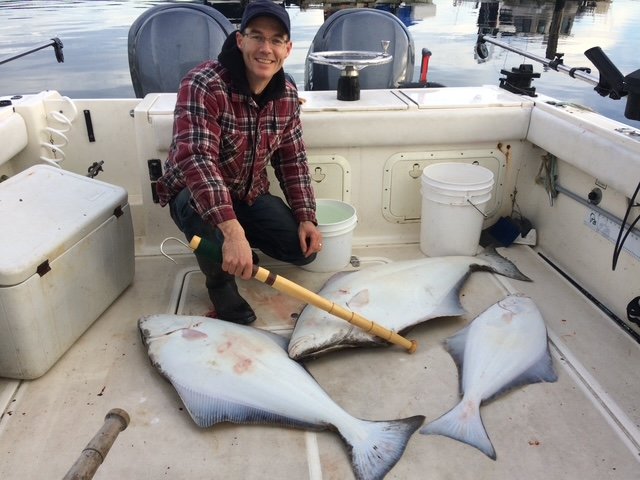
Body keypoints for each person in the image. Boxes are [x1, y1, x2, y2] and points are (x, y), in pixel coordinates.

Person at [156, 0, 322, 325]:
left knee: (304, 251)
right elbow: (198, 159)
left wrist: (306, 216)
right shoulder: (203, 83)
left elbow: (292, 159)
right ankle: (220, 283)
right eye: (257, 36)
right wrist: (232, 234)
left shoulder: (287, 94)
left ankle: (236, 248)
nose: (266, 48)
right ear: (240, 40)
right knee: (200, 210)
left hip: (248, 194)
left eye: (276, 40)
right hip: (194, 194)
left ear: (287, 49)